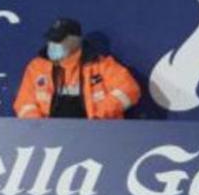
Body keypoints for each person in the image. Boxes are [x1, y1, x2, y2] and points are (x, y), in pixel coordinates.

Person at [13, 18, 141, 120]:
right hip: (49, 138)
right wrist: (41, 129)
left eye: (58, 41)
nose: (52, 45)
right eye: (51, 40)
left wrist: (98, 116)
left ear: (75, 41)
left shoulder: (101, 65)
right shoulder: (37, 67)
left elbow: (129, 90)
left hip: (97, 135)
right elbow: (24, 103)